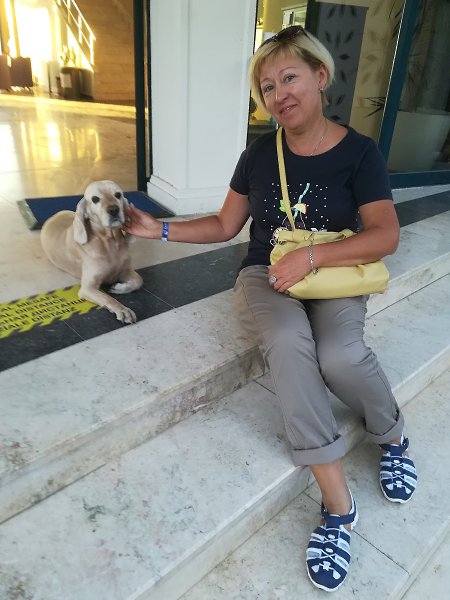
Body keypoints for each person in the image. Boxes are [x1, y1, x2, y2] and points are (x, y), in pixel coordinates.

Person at [123, 25, 417, 593]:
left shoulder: (361, 153)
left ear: (320, 77)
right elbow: (224, 224)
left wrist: (312, 257)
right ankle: (339, 508)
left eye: (289, 77)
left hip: (330, 270)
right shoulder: (259, 154)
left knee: (340, 354)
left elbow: (385, 235)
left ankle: (393, 436)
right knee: (288, 343)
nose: (279, 94)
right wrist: (156, 228)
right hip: (267, 272)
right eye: (267, 86)